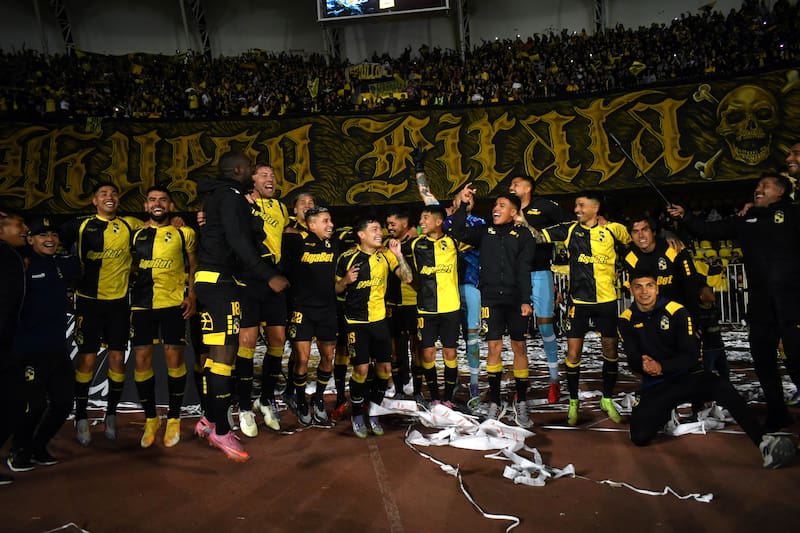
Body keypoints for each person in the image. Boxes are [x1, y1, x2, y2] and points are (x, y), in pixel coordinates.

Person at [618, 270, 794, 469]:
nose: (644, 292)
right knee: (639, 437)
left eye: (649, 285)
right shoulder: (626, 319)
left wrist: (661, 365)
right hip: (656, 385)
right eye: (638, 286)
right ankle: (665, 414)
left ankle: (764, 442)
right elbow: (632, 359)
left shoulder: (677, 311)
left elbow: (690, 355)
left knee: (721, 386)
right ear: (631, 289)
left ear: (657, 288)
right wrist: (643, 365)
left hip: (687, 377)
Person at [667, 173, 800, 431]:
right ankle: (777, 412)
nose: (758, 190)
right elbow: (710, 230)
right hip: (761, 306)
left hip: (792, 304)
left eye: (765, 186)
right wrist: (685, 216)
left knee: (797, 362)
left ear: (781, 192)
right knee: (764, 362)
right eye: (757, 186)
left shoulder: (793, 215)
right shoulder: (745, 219)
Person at [193, 150, 289, 461]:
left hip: (211, 281)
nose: (253, 172)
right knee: (223, 358)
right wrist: (268, 275)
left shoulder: (221, 196)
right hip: (221, 284)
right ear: (238, 170)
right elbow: (238, 241)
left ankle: (208, 419)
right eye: (249, 167)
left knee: (217, 357)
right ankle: (220, 430)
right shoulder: (232, 196)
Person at [534, 191, 631, 426]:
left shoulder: (613, 229)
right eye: (576, 205)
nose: (576, 209)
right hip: (578, 303)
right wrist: (522, 220)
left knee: (610, 352)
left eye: (581, 205)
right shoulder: (569, 229)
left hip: (607, 302)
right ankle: (574, 401)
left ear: (595, 208)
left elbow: (634, 243)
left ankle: (606, 398)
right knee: (573, 354)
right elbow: (538, 237)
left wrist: (668, 234)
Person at [60, 182, 144, 445]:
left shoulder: (130, 223)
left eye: (114, 193)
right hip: (89, 302)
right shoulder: (80, 225)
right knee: (86, 360)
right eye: (103, 194)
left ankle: (110, 414)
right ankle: (82, 416)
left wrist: (176, 222)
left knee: (117, 360)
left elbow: (157, 226)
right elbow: (48, 241)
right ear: (94, 201)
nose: (110, 197)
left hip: (119, 303)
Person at [449, 186, 535, 428]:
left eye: (502, 206)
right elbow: (457, 230)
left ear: (514, 212)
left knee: (519, 346)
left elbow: (524, 269)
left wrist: (526, 300)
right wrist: (463, 205)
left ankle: (522, 400)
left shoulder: (524, 235)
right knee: (494, 347)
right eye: (495, 205)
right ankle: (495, 400)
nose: (496, 209)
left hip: (516, 299)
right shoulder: (484, 231)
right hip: (491, 300)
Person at [6, 218, 79, 472]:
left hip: (57, 349)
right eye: (41, 234)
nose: (49, 238)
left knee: (63, 403)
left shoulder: (63, 264)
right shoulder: (21, 266)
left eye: (53, 234)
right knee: (32, 406)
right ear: (30, 239)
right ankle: (19, 450)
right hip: (28, 349)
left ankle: (38, 446)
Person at [413, 150, 485, 406]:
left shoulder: (477, 223)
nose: (467, 200)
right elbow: (426, 195)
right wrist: (419, 168)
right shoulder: (442, 221)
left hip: (468, 285)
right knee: (441, 347)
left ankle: (474, 386)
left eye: (470, 199)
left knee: (472, 339)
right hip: (444, 290)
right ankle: (442, 393)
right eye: (464, 196)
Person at [130, 186, 198, 449]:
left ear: (170, 206)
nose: (157, 203)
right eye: (152, 200)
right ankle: (151, 418)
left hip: (172, 304)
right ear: (146, 206)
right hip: (142, 305)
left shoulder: (185, 232)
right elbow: (130, 264)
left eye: (163, 200)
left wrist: (192, 295)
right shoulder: (134, 234)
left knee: (174, 358)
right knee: (141, 360)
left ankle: (174, 417)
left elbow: (194, 265)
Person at [335, 214, 413, 438]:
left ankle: (374, 409)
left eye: (381, 229)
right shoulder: (347, 258)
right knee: (361, 370)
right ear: (361, 235)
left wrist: (398, 255)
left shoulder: (386, 256)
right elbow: (335, 290)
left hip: (380, 321)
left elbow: (407, 278)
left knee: (385, 370)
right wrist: (345, 281)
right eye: (375, 229)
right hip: (355, 323)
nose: (380, 233)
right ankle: (358, 413)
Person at [510, 174, 572, 404]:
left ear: (528, 188)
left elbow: (568, 226)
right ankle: (522, 383)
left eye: (515, 184)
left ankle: (554, 380)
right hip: (517, 278)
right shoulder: (507, 210)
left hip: (540, 274)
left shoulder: (543, 207)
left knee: (546, 327)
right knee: (518, 333)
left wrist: (546, 236)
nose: (511, 188)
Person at [241, 164, 290, 436]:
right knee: (247, 342)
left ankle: (266, 398)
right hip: (249, 279)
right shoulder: (241, 204)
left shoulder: (281, 208)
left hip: (275, 280)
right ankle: (245, 406)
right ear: (252, 180)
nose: (270, 178)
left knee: (278, 340)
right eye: (263, 175)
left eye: (273, 175)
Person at [282, 206, 339, 425]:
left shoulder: (335, 243)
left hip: (327, 310)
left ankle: (318, 398)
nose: (330, 225)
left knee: (327, 359)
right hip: (302, 310)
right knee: (302, 359)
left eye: (330, 220)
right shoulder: (295, 242)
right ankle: (300, 399)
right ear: (311, 224)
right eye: (325, 221)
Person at [410, 205, 461, 406]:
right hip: (426, 308)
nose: (421, 222)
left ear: (439, 222)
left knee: (450, 352)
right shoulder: (416, 245)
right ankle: (434, 397)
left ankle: (448, 397)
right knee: (427, 353)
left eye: (425, 218)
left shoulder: (453, 242)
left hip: (450, 307)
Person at [623, 215, 703, 319]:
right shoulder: (631, 257)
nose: (640, 235)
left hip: (679, 310)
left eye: (645, 230)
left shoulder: (673, 248)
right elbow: (636, 292)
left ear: (653, 232)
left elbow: (690, 285)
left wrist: (692, 318)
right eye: (635, 232)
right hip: (652, 315)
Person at [0, 212, 29, 486]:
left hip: (9, 345)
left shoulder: (14, 256)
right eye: (19, 224)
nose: (26, 229)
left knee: (16, 403)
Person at [384, 208, 419, 400]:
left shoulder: (418, 244)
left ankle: (418, 389)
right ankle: (398, 388)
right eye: (387, 224)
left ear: (405, 224)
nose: (389, 228)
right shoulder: (385, 245)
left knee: (417, 348)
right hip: (393, 304)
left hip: (414, 302)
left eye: (392, 224)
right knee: (395, 349)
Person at [697, 285, 729, 379]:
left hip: (719, 345)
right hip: (707, 348)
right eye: (709, 292)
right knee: (707, 373)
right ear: (701, 296)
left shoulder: (714, 308)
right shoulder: (699, 312)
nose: (712, 294)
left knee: (725, 372)